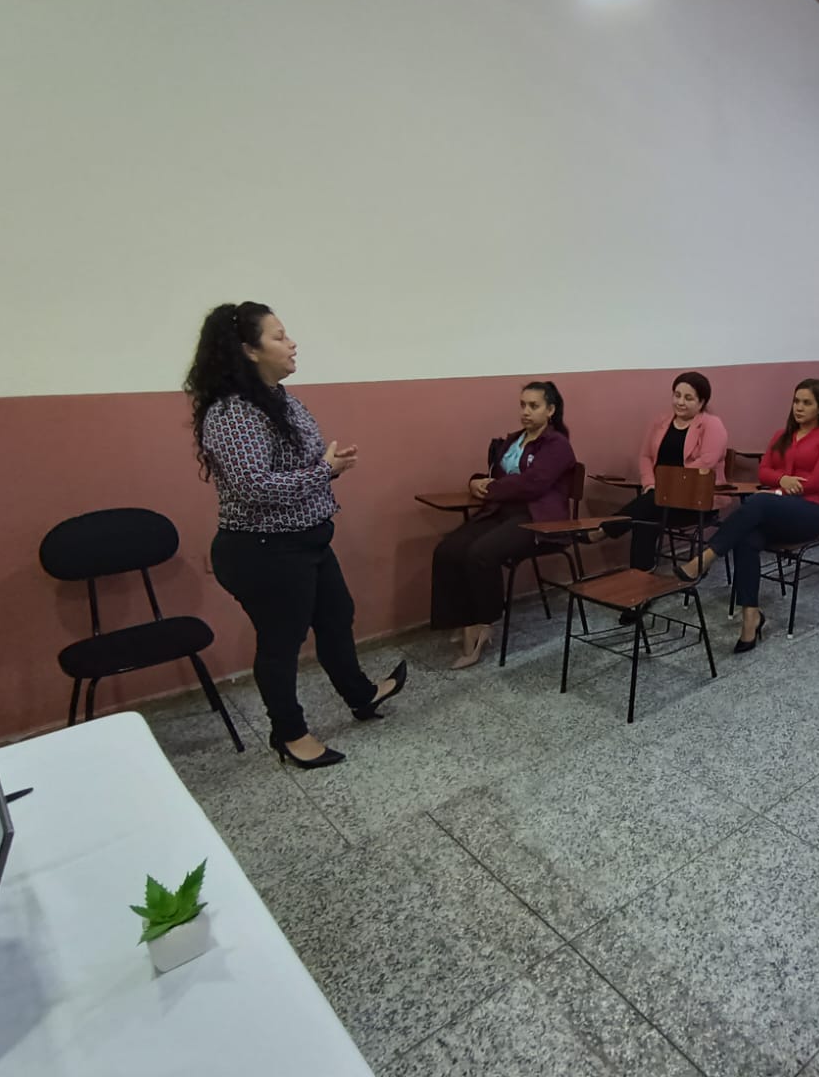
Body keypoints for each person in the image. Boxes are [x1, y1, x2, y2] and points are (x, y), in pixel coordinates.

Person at [186, 302, 406, 770]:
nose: (292, 344)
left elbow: (299, 469)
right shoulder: (232, 412)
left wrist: (329, 467)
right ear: (248, 350)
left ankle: (360, 694)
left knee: (336, 616)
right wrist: (322, 472)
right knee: (281, 643)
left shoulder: (280, 397)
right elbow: (253, 487)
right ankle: (289, 734)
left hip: (306, 539)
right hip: (264, 549)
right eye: (280, 336)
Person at [675, 379, 819, 652]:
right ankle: (750, 617)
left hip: (810, 513)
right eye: (796, 401)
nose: (799, 408)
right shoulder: (781, 436)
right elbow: (764, 472)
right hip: (776, 508)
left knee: (759, 501)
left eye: (807, 403)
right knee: (747, 537)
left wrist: (787, 484)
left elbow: (818, 479)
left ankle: (706, 557)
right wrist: (784, 478)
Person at [431, 381, 577, 668]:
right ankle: (461, 619)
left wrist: (492, 488)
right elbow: (493, 473)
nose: (525, 411)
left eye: (533, 406)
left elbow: (533, 484)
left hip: (537, 518)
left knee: (480, 553)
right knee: (448, 549)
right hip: (501, 511)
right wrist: (475, 482)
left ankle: (484, 624)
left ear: (550, 410)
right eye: (522, 405)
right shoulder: (514, 440)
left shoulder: (557, 445)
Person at [598, 372, 728, 575]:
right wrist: (650, 482)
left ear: (701, 402)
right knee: (648, 512)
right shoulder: (661, 422)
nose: (680, 402)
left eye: (688, 398)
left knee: (650, 506)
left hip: (697, 500)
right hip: (660, 497)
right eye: (677, 395)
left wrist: (667, 485)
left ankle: (607, 530)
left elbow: (706, 463)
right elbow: (645, 456)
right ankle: (641, 576)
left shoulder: (712, 425)